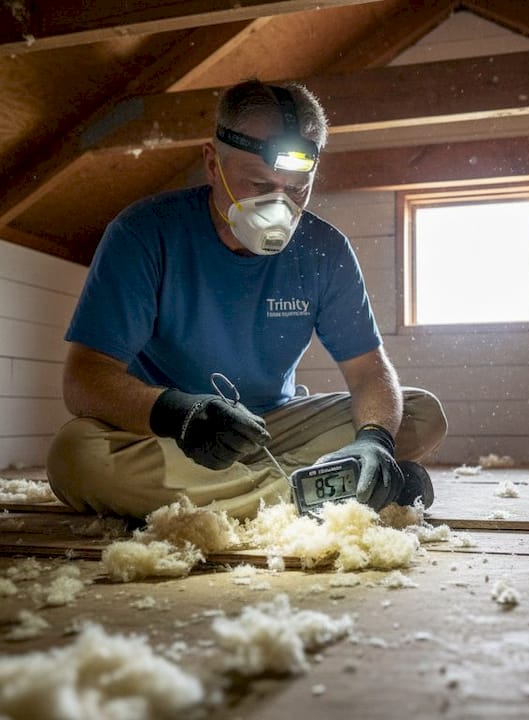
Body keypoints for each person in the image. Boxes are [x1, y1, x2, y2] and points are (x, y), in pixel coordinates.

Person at [46, 80, 448, 520]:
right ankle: (320, 492)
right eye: (258, 183)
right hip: (167, 431)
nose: (279, 206)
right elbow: (84, 379)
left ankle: (271, 489)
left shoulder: (324, 250)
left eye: (297, 189)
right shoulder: (144, 234)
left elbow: (369, 369)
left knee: (419, 413)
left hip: (272, 427)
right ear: (212, 164)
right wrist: (179, 412)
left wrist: (373, 440)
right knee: (76, 455)